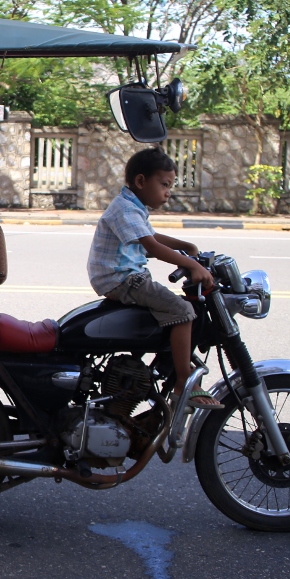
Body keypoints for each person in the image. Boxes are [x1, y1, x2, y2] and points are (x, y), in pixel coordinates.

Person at [87, 146, 222, 409]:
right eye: (164, 184)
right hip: (122, 279)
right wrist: (191, 264)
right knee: (182, 310)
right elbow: (153, 247)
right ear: (140, 181)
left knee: (172, 310)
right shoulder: (124, 209)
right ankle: (184, 381)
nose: (168, 192)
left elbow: (154, 237)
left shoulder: (132, 206)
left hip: (125, 276)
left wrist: (188, 248)